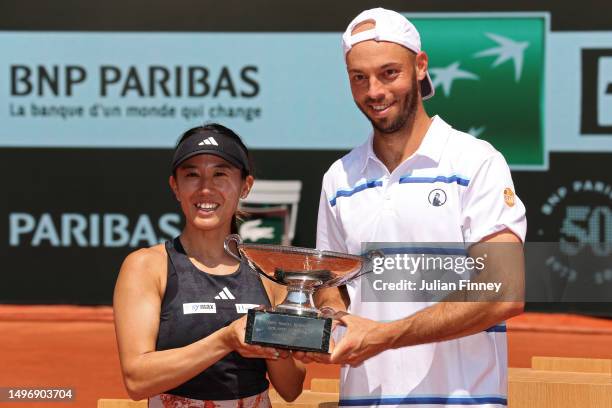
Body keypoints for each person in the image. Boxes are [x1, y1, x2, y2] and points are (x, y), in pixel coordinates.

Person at [301, 8, 527, 408]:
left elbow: (503, 292)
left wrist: (384, 335)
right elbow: (330, 285)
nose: (374, 91)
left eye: (389, 73)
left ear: (420, 67)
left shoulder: (475, 161)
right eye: (359, 77)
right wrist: (332, 318)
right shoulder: (339, 178)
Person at [113, 124, 305, 407]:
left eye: (220, 174)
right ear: (175, 186)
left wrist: (270, 335)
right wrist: (226, 340)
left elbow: (291, 388)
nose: (205, 188)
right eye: (192, 175)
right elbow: (137, 380)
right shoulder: (146, 267)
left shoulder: (268, 273)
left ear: (245, 186)